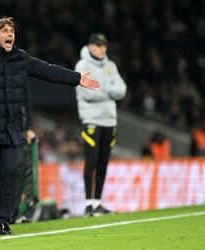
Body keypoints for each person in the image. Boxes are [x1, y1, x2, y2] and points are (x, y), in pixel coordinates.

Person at [0, 17, 100, 235]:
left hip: (11, 128)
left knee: (10, 172)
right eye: (4, 30)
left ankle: (4, 219)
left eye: (12, 30)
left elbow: (48, 71)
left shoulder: (20, 58)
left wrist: (77, 78)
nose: (10, 34)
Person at [75, 33, 127, 216]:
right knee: (91, 161)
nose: (102, 48)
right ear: (90, 46)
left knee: (103, 163)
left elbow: (122, 90)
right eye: (98, 45)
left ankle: (97, 203)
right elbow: (87, 94)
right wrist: (110, 91)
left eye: (104, 45)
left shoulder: (110, 65)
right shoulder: (82, 65)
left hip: (109, 121)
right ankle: (88, 204)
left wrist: (102, 88)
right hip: (92, 120)